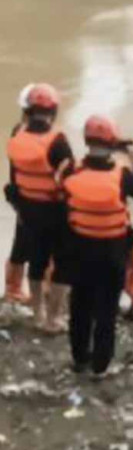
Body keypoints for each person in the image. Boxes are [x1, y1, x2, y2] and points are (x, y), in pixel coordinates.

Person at [62, 115, 133, 379]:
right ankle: (100, 366)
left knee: (80, 305)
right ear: (113, 143)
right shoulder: (122, 176)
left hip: (80, 249)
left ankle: (80, 359)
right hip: (112, 251)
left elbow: (62, 195)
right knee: (106, 309)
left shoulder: (71, 170)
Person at [6, 83, 73, 330]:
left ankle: (37, 315)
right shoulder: (57, 141)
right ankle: (54, 318)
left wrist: (20, 205)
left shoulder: (16, 137)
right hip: (54, 210)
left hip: (27, 210)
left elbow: (14, 177)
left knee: (35, 261)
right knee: (62, 264)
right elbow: (70, 179)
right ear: (53, 111)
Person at [4, 86, 33, 304]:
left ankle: (13, 289)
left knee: (21, 243)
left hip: (21, 195)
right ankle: (16, 289)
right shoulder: (28, 133)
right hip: (32, 197)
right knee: (29, 244)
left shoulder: (18, 131)